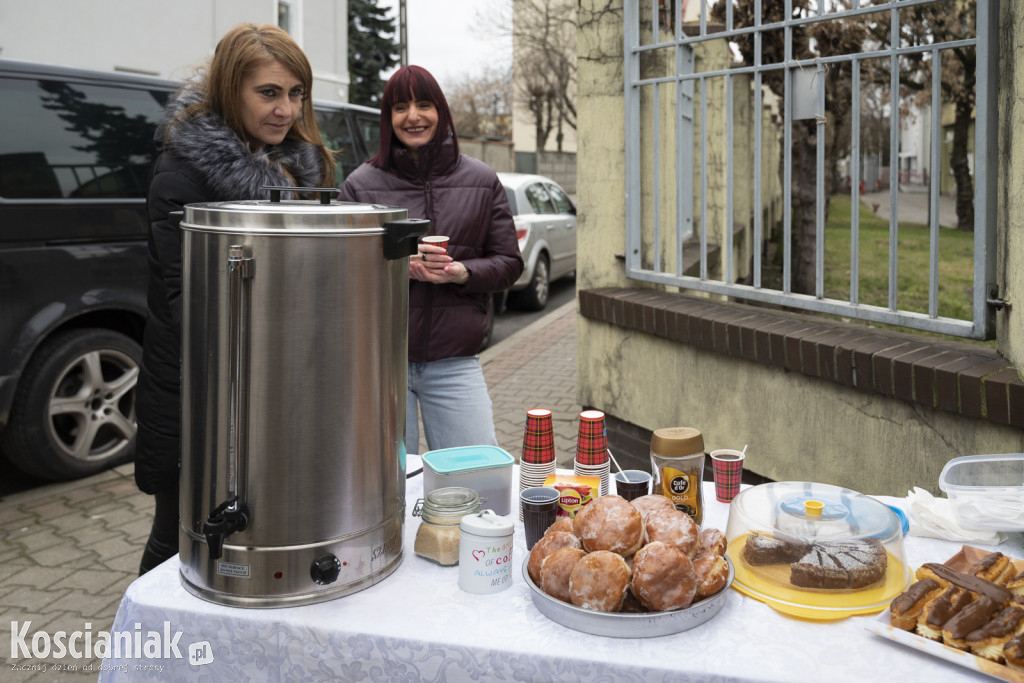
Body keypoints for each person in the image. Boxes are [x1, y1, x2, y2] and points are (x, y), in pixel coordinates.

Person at [134, 23, 336, 575]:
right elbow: (190, 303)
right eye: (269, 93)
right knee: (178, 541)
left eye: (297, 94)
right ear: (229, 89)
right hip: (196, 394)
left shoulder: (297, 167)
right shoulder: (183, 176)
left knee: (253, 543)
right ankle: (142, 651)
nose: (287, 109)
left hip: (268, 389)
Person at [339, 65, 523, 455]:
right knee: (384, 486)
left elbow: (510, 263)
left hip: (455, 361)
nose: (413, 116)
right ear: (388, 119)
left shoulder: (482, 179)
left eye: (424, 104)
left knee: (475, 477)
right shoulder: (360, 185)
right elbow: (337, 271)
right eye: (400, 107)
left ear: (441, 112)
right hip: (381, 362)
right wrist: (392, 269)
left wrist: (461, 272)